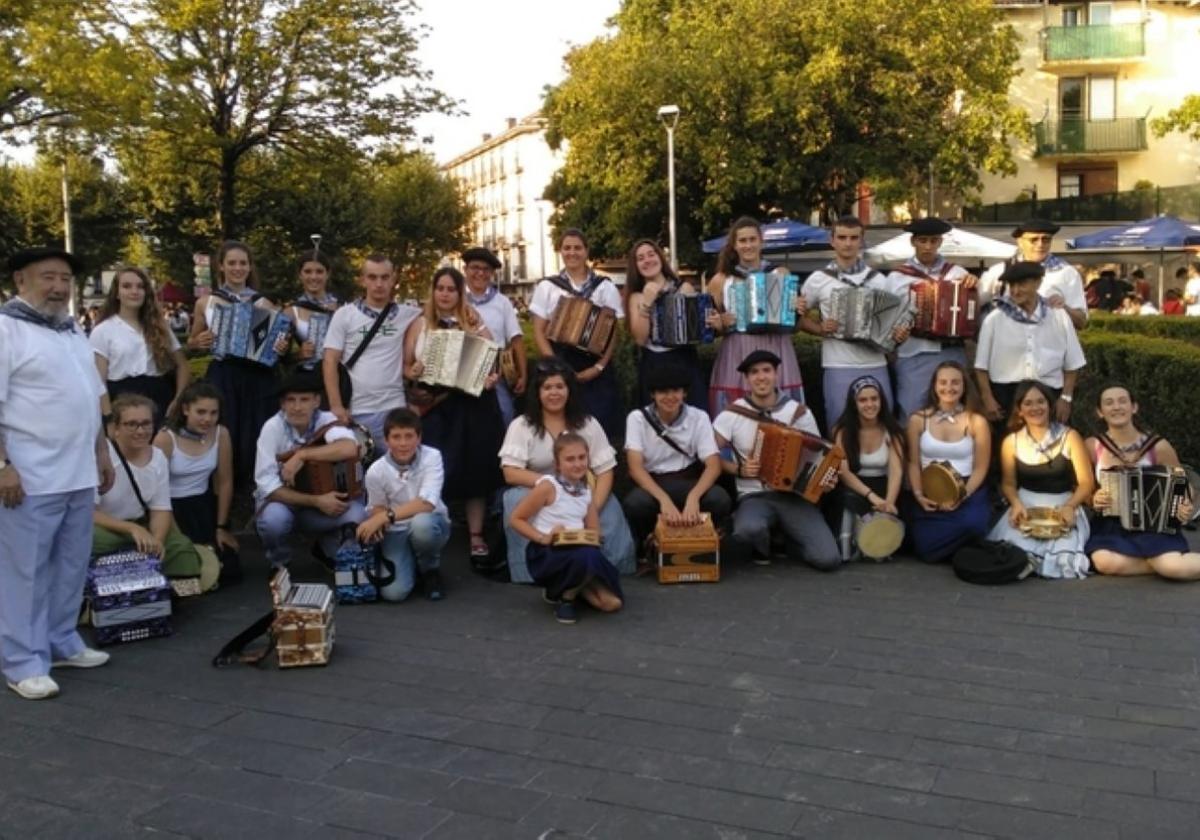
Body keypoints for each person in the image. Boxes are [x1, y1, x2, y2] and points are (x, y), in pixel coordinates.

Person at [0, 247, 115, 700]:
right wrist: (3, 466)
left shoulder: (71, 332)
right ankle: (21, 660)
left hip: (78, 471)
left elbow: (93, 400)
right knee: (24, 571)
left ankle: (60, 640)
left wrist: (101, 454)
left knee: (70, 565)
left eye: (65, 278)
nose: (58, 287)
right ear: (20, 281)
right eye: (47, 277)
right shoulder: (7, 329)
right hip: (29, 475)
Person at [498, 360, 635, 582]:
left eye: (560, 387)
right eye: (547, 388)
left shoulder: (588, 423)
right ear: (538, 393)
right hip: (540, 493)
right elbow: (511, 473)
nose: (554, 393)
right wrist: (553, 487)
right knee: (514, 499)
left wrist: (590, 506)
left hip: (582, 491)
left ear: (569, 391)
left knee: (609, 505)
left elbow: (606, 470)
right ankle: (529, 573)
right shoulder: (522, 425)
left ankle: (611, 566)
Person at [404, 267, 504, 559]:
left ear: (460, 293)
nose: (445, 294)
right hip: (436, 406)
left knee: (475, 470)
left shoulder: (471, 319)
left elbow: (493, 356)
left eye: (452, 289)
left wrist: (491, 377)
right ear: (433, 291)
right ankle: (433, 530)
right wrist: (415, 370)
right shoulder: (419, 324)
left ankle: (475, 534)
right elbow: (406, 366)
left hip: (473, 405)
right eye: (441, 288)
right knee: (437, 468)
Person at [712, 350, 840, 569]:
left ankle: (787, 536)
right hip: (754, 495)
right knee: (747, 530)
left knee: (828, 560)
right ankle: (763, 543)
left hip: (794, 497)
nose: (761, 377)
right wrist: (738, 469)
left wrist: (825, 481)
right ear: (747, 379)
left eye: (766, 371)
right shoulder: (732, 415)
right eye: (754, 372)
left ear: (776, 375)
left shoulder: (799, 413)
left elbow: (821, 455)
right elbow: (708, 456)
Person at [188, 241, 287, 484]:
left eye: (243, 263)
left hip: (257, 374)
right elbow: (191, 342)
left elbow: (277, 344)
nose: (237, 268)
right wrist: (198, 342)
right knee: (226, 429)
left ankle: (256, 487)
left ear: (250, 267)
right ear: (221, 266)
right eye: (231, 263)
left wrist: (281, 347)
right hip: (224, 372)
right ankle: (224, 488)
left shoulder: (263, 302)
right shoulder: (206, 302)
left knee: (257, 429)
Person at [254, 372, 367, 575]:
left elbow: (350, 448)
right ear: (282, 404)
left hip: (318, 508)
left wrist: (303, 455)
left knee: (357, 513)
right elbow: (267, 487)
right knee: (273, 521)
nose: (297, 407)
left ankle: (326, 548)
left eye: (304, 399)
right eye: (291, 400)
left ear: (316, 401)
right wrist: (316, 501)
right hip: (286, 504)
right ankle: (279, 562)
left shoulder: (327, 420)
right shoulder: (272, 428)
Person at [1085, 385, 1200, 580]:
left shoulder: (1157, 446)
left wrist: (1185, 505)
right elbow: (1082, 488)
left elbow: (1183, 483)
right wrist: (1093, 499)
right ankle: (1156, 564)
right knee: (1103, 561)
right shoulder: (1092, 445)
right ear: (1100, 412)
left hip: (1154, 524)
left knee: (1173, 569)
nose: (1116, 407)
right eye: (1109, 402)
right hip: (1113, 524)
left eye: (1123, 401)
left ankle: (1163, 565)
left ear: (1134, 407)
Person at [509, 432, 623, 625]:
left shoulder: (586, 491)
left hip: (578, 550)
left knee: (612, 603)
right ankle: (567, 597)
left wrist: (585, 537)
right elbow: (516, 519)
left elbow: (595, 532)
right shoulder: (548, 486)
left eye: (581, 458)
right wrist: (543, 537)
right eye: (570, 459)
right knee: (587, 556)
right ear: (557, 464)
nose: (577, 464)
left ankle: (567, 586)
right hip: (548, 551)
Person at [800, 215, 900, 431]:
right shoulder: (818, 278)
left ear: (862, 241)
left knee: (883, 427)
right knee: (839, 427)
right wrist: (819, 328)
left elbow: (893, 321)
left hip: (876, 362)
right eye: (842, 237)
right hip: (838, 364)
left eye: (854, 238)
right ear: (832, 240)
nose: (848, 243)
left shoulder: (878, 280)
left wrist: (895, 334)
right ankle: (840, 467)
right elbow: (797, 317)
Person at [622, 363, 731, 561]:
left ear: (684, 393)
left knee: (719, 498)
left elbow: (713, 465)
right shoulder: (637, 418)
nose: (670, 397)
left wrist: (694, 498)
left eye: (676, 391)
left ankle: (703, 544)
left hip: (688, 479)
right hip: (653, 483)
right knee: (635, 504)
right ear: (653, 394)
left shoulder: (699, 417)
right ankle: (649, 545)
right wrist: (664, 500)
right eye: (663, 391)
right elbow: (635, 468)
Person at [987, 380, 1095, 579]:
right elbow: (1009, 484)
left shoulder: (1069, 436)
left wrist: (1070, 506)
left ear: (1050, 405)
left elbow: (1086, 483)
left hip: (1063, 504)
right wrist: (1016, 503)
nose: (1035, 408)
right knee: (1014, 554)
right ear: (1019, 410)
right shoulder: (1012, 442)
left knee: (1065, 563)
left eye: (1040, 402)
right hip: (1026, 504)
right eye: (1028, 403)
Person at [93, 394, 203, 584]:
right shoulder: (101, 457)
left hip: (141, 528)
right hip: (108, 529)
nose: (140, 431)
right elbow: (87, 511)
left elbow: (161, 508)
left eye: (146, 424)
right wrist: (131, 529)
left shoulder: (158, 457)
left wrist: (156, 541)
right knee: (93, 541)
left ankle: (172, 594)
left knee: (181, 547)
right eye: (132, 424)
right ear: (116, 429)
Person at [704, 217, 806, 417]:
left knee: (782, 415)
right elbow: (709, 331)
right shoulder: (720, 280)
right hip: (736, 351)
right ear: (734, 245)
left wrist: (798, 310)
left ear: (761, 241)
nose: (748, 245)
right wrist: (720, 324)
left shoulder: (780, 273)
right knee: (736, 416)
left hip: (776, 348)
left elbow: (795, 327)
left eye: (752, 239)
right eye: (742, 241)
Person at [529, 230, 624, 440]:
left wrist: (598, 367)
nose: (572, 253)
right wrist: (556, 368)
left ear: (586, 251)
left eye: (577, 248)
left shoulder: (605, 287)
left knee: (599, 426)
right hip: (558, 361)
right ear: (560, 252)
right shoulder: (547, 287)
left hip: (596, 366)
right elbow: (539, 331)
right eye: (567, 248)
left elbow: (612, 333)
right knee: (561, 428)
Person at [322, 253, 420, 454]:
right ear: (362, 279)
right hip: (357, 410)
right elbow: (330, 360)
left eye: (385, 277)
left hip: (395, 408)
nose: (379, 284)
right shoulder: (345, 315)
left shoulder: (408, 314)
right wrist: (336, 405)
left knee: (399, 474)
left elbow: (439, 315)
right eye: (372, 277)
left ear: (393, 280)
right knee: (360, 477)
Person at [883, 218, 976, 420]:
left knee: (955, 412)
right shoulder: (896, 278)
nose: (928, 246)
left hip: (951, 351)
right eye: (923, 240)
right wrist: (895, 335)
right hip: (913, 353)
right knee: (911, 411)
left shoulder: (958, 273)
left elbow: (972, 311)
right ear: (913, 242)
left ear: (940, 243)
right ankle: (910, 451)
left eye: (933, 241)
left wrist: (974, 288)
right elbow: (885, 320)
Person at [356, 408, 451, 601]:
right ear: (386, 440)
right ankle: (410, 563)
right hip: (396, 529)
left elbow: (427, 503)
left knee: (422, 525)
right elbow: (378, 507)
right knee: (393, 593)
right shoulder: (376, 470)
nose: (403, 443)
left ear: (419, 438)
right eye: (396, 437)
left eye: (409, 436)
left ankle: (430, 569)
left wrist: (386, 516)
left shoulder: (432, 457)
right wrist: (378, 522)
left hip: (430, 521)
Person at [974, 261, 1086, 425]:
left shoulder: (1058, 316)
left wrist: (1066, 397)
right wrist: (987, 398)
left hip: (1049, 393)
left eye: (1022, 284)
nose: (1016, 290)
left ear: (1038, 283)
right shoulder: (994, 319)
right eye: (1012, 285)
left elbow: (1073, 363)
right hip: (1006, 396)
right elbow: (981, 366)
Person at [904, 361, 992, 563]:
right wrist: (919, 495)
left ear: (964, 387)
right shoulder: (918, 420)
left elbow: (981, 468)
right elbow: (913, 463)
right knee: (925, 548)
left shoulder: (976, 421)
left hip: (967, 489)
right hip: (930, 491)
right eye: (943, 382)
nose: (949, 388)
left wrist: (962, 496)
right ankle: (963, 549)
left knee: (974, 525)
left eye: (955, 383)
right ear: (934, 386)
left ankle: (964, 547)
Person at [153, 382, 240, 582]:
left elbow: (225, 481)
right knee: (187, 569)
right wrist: (173, 532)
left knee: (228, 570)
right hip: (171, 508)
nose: (207, 419)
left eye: (213, 413)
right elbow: (158, 490)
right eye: (200, 412)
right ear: (185, 409)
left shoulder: (221, 433)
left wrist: (221, 526)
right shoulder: (165, 438)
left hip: (203, 505)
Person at [91, 265, 190, 425]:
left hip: (159, 399)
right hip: (121, 401)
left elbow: (182, 366)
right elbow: (98, 381)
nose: (134, 291)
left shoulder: (160, 327)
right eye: (127, 286)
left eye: (140, 286)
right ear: (116, 293)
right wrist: (108, 416)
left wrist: (177, 400)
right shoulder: (103, 331)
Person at [624, 238, 707, 411]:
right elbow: (640, 339)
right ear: (636, 266)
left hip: (684, 359)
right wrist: (646, 303)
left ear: (660, 258)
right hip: (654, 362)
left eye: (651, 254)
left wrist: (712, 322)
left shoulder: (684, 288)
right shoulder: (636, 297)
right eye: (640, 258)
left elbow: (697, 332)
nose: (647, 260)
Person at [831, 375, 905, 561]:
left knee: (881, 551)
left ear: (881, 401)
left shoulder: (893, 431)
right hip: (855, 489)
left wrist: (888, 503)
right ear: (853, 403)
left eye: (874, 399)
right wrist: (871, 496)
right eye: (863, 400)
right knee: (845, 552)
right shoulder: (842, 431)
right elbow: (844, 472)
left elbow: (896, 471)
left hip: (884, 488)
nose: (869, 404)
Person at [979, 219, 1088, 329]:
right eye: (1033, 240)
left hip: (1049, 344)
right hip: (1009, 342)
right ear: (1020, 242)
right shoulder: (1000, 271)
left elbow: (1081, 322)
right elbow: (975, 304)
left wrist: (1064, 308)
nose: (1040, 244)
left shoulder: (1067, 273)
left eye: (1046, 239)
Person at [462, 246, 527, 425]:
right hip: (460, 374)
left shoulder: (502, 302)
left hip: (494, 374)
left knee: (504, 416)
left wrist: (523, 374)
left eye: (486, 269)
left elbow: (516, 339)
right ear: (465, 270)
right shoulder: (456, 300)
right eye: (475, 268)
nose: (480, 273)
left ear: (492, 273)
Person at [286, 249, 340, 372]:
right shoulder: (291, 312)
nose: (313, 277)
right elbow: (281, 357)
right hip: (310, 375)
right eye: (308, 271)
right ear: (300, 274)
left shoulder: (343, 307)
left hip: (340, 374)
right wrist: (299, 354)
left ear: (328, 273)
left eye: (319, 271)